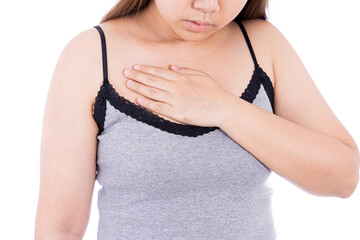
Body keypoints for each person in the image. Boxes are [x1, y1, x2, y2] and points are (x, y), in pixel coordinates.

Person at [34, 0, 360, 239]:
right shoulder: (90, 55)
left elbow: (344, 176)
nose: (207, 6)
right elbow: (58, 229)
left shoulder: (263, 44)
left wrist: (224, 108)